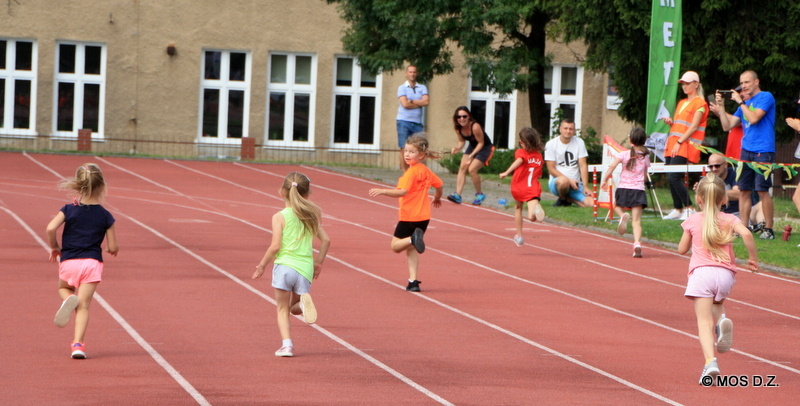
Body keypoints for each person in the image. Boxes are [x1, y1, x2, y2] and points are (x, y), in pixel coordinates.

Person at [677, 173, 758, 385]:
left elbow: (681, 249)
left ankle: (710, 362)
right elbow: (748, 235)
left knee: (703, 322)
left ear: (699, 199)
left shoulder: (694, 219)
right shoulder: (731, 219)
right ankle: (722, 322)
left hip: (701, 274)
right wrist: (752, 259)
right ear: (724, 199)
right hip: (725, 275)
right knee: (717, 303)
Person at [252, 172, 331, 358]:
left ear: (282, 192)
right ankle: (302, 305)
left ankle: (287, 345)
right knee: (293, 305)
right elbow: (326, 240)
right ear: (307, 194)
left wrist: (262, 265)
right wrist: (318, 264)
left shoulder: (279, 216)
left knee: (281, 309)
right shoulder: (309, 217)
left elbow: (275, 246)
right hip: (305, 268)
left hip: (284, 267)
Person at [45, 163, 118, 359]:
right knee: (84, 306)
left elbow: (51, 228)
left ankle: (67, 298)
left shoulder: (68, 209)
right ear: (102, 187)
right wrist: (112, 248)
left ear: (78, 185)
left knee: (64, 288)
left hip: (70, 260)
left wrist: (54, 247)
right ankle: (78, 346)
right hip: (92, 263)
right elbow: (112, 246)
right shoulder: (105, 215)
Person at [369, 134, 443, 292]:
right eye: (406, 151)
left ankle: (412, 238)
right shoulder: (426, 171)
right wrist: (437, 197)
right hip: (424, 217)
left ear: (421, 155)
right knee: (411, 249)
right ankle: (413, 281)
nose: (407, 155)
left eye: (412, 152)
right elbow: (439, 184)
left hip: (409, 216)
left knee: (396, 246)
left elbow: (402, 192)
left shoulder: (411, 173)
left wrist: (382, 190)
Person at [716, 70, 776, 239]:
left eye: (747, 82)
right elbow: (727, 126)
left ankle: (769, 229)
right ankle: (744, 227)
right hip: (746, 150)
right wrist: (721, 107)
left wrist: (741, 102)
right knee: (744, 190)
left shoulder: (765, 97)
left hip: (763, 150)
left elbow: (755, 118)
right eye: (741, 83)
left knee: (762, 190)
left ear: (756, 82)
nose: (743, 86)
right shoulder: (744, 102)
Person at [661, 71, 708, 220]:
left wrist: (680, 141)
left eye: (688, 83)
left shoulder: (700, 103)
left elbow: (693, 127)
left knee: (674, 176)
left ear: (696, 84)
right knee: (670, 176)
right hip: (674, 143)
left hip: (684, 144)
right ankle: (678, 208)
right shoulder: (681, 103)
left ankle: (689, 207)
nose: (685, 86)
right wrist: (671, 123)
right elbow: (681, 125)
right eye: (683, 84)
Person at [600, 128, 651, 258]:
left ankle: (622, 216)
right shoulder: (645, 157)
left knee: (615, 205)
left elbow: (611, 166)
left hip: (624, 188)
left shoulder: (623, 154)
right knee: (636, 221)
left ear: (630, 140)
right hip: (638, 190)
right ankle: (637, 243)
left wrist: (604, 180)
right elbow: (645, 176)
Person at [499, 127, 546, 246]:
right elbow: (539, 174)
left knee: (518, 208)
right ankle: (534, 213)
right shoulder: (539, 156)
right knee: (531, 214)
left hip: (519, 186)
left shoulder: (520, 152)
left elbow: (519, 161)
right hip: (533, 187)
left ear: (522, 142)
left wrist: (506, 172)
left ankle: (519, 236)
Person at [447, 106, 494, 205]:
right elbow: (461, 141)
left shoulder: (475, 127)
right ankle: (458, 195)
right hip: (473, 146)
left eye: (464, 116)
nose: (462, 119)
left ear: (469, 117)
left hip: (485, 147)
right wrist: (457, 148)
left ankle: (479, 194)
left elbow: (481, 143)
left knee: (472, 169)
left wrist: (471, 156)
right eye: (459, 117)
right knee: (462, 167)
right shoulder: (458, 128)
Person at [706, 153, 764, 228]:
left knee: (762, 205)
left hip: (744, 212)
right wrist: (701, 192)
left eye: (717, 166)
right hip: (723, 215)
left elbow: (738, 194)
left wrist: (714, 192)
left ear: (725, 164)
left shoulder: (735, 173)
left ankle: (762, 227)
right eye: (711, 167)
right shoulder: (708, 178)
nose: (714, 169)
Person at [544, 118, 594, 207]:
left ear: (574, 131)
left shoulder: (579, 142)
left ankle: (568, 199)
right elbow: (551, 169)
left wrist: (585, 186)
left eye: (571, 129)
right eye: (565, 128)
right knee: (564, 181)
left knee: (591, 204)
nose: (568, 131)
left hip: (576, 184)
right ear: (560, 129)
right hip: (558, 182)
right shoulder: (551, 144)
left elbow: (583, 165)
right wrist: (569, 180)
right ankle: (562, 197)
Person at [396, 65, 429, 171]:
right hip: (403, 121)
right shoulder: (402, 88)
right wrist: (419, 103)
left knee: (420, 148)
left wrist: (412, 101)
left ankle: (418, 171)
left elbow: (426, 102)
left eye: (414, 72)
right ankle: (406, 174)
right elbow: (405, 104)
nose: (412, 74)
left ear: (417, 73)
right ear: (406, 73)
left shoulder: (422, 87)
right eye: (410, 72)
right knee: (404, 148)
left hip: (417, 122)